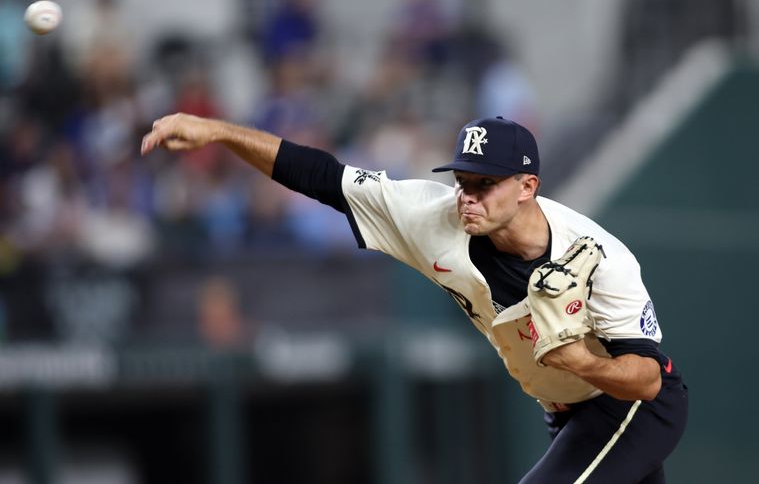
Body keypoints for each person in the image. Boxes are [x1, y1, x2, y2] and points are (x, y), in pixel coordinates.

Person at [141, 114, 688, 483]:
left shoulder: (599, 257)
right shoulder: (432, 217)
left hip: (630, 408)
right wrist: (217, 131)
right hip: (562, 409)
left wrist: (581, 361)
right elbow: (322, 177)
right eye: (462, 179)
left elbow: (649, 378)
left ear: (527, 187)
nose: (467, 195)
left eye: (485, 184)